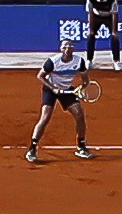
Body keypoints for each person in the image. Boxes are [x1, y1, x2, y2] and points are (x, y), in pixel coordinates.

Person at [27, 19, 96, 164]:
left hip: (68, 91)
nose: (68, 49)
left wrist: (80, 89)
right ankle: (32, 149)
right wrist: (53, 88)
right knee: (45, 117)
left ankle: (81, 146)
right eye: (65, 46)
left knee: (79, 114)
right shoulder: (52, 61)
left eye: (70, 46)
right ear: (61, 49)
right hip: (50, 89)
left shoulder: (79, 61)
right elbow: (40, 76)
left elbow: (85, 80)